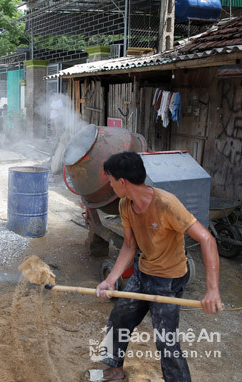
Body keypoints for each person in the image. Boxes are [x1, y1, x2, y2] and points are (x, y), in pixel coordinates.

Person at [93, 152, 222, 382]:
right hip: (143, 273)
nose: (110, 185)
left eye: (111, 180)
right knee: (120, 317)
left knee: (166, 341)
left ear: (122, 182)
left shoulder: (167, 204)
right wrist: (111, 279)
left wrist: (212, 290)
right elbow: (130, 246)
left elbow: (207, 239)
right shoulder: (125, 205)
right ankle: (115, 369)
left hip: (168, 280)